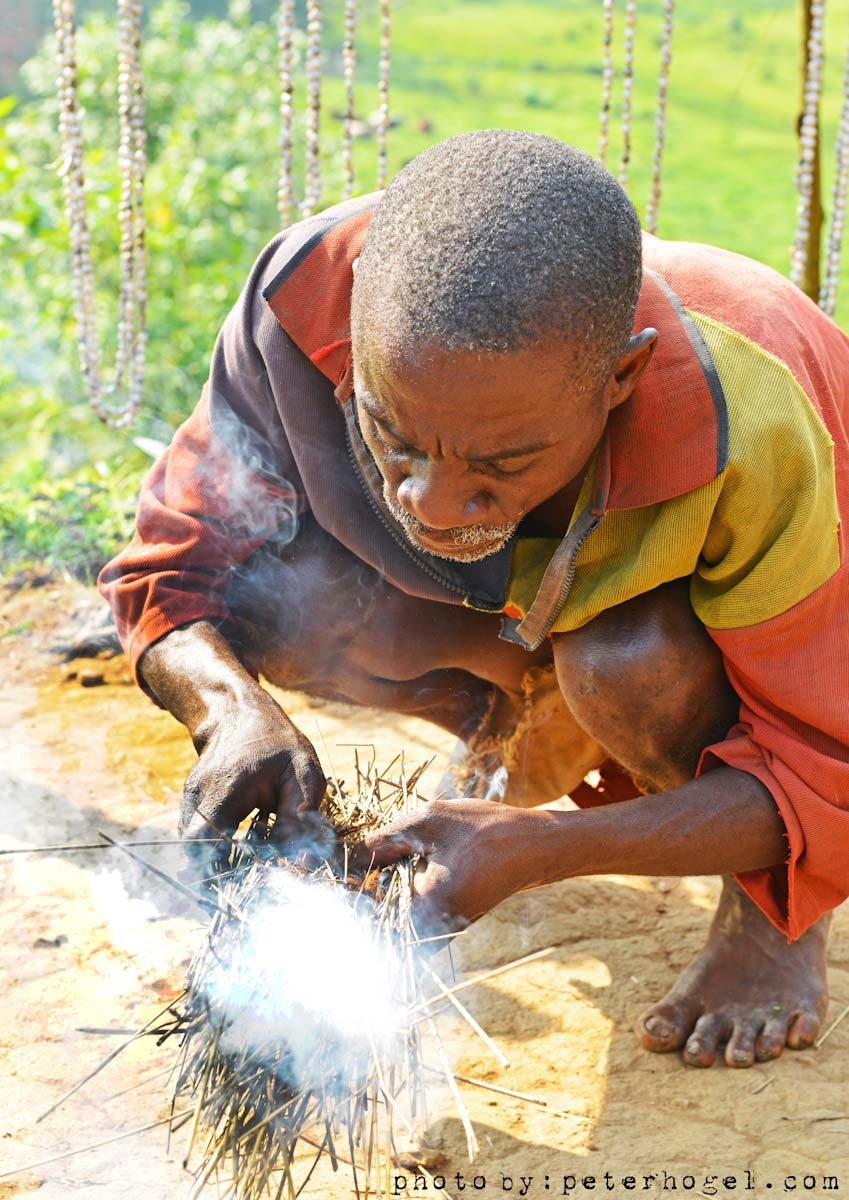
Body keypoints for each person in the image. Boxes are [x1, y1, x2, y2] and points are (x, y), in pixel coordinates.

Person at [98, 130, 849, 1071]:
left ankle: (769, 919)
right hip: (497, 620)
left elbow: (823, 764)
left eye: (501, 463)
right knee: (274, 602)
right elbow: (172, 573)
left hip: (705, 655)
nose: (428, 502)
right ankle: (516, 718)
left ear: (619, 379)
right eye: (390, 432)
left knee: (627, 667)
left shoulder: (750, 410)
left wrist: (540, 848)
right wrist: (231, 711)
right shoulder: (302, 305)